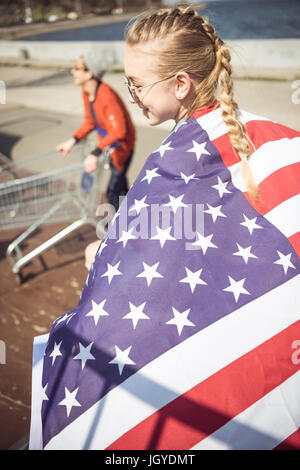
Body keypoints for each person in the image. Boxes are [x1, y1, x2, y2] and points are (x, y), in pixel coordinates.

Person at [30, 7, 300, 450]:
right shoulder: (271, 137)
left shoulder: (172, 162)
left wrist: (107, 254)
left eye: (137, 84)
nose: (131, 93)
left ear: (180, 84)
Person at [57, 50, 135, 269]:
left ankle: (117, 239)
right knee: (119, 189)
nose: (73, 71)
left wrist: (95, 152)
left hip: (121, 149)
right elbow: (90, 122)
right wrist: (72, 140)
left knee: (113, 191)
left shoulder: (106, 95)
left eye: (78, 68)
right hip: (107, 148)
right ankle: (128, 222)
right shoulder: (87, 92)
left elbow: (119, 131)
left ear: (90, 73)